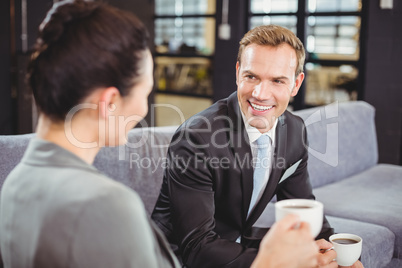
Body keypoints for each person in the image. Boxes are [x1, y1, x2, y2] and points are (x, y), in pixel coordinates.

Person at [0, 1, 321, 268]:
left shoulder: (14, 184)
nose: (143, 110)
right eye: (147, 91)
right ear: (111, 101)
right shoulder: (108, 204)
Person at [152, 25, 363, 268]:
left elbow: (304, 209)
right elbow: (196, 247)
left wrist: (339, 255)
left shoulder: (295, 131)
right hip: (179, 257)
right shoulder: (196, 138)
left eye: (277, 80)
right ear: (238, 72)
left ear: (296, 84)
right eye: (252, 77)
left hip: (237, 242)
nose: (261, 94)